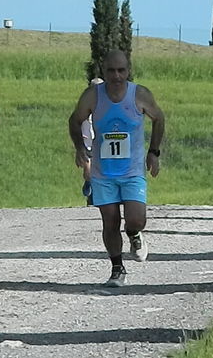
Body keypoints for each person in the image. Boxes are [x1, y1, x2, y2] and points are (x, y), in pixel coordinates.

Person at [69, 50, 165, 287]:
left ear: (128, 70)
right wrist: (80, 148)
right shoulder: (93, 96)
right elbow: (75, 119)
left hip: (132, 172)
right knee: (109, 221)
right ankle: (117, 268)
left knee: (136, 219)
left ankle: (134, 235)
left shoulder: (139, 94)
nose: (116, 76)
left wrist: (153, 152)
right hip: (103, 173)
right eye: (111, 71)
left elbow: (159, 118)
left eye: (121, 70)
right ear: (104, 71)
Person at [81, 77, 104, 204]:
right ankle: (89, 183)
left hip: (102, 145)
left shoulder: (107, 105)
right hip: (88, 144)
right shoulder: (84, 106)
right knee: (88, 172)